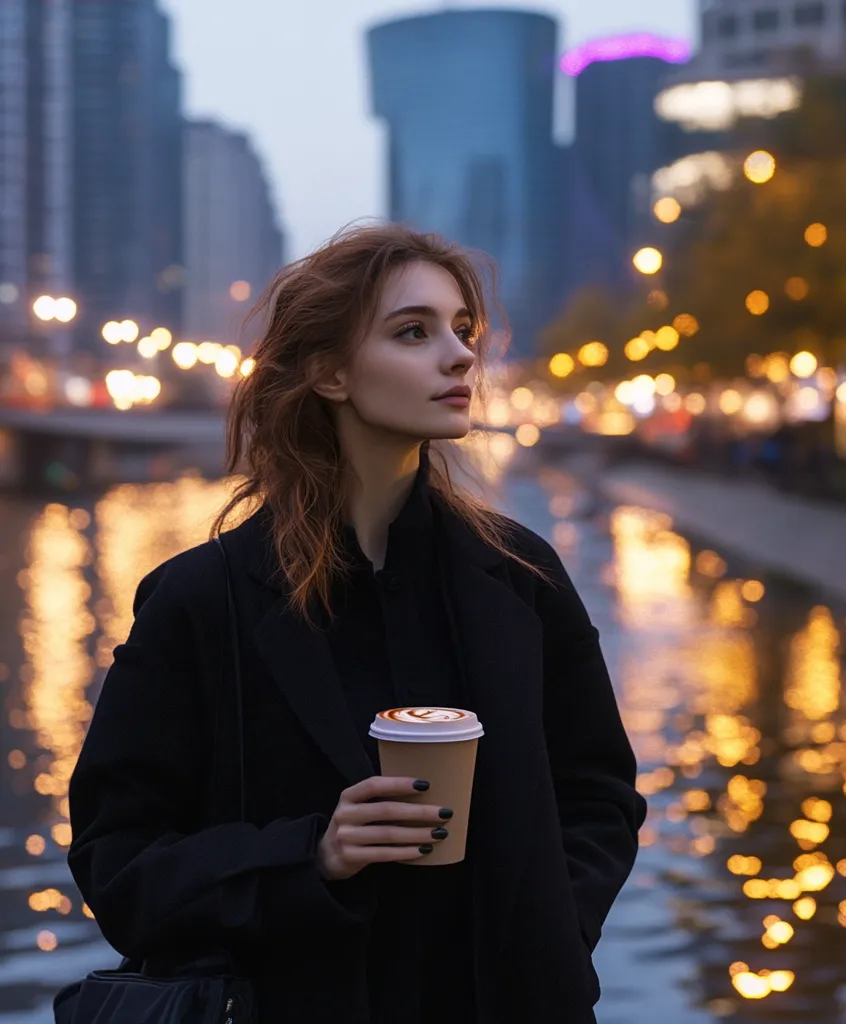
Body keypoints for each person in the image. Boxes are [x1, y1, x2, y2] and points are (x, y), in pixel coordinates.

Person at [68, 224, 646, 1024]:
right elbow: (117, 862)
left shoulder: (522, 579)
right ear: (328, 373)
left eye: (463, 329)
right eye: (414, 332)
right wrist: (311, 855)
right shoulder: (202, 600)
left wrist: (552, 938)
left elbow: (599, 795)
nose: (460, 356)